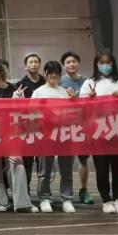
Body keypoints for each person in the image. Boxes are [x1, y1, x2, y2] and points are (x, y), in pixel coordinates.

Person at [81, 49, 118, 215]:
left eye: (107, 62)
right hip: (99, 133)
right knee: (102, 169)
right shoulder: (89, 83)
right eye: (101, 63)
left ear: (113, 63)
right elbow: (81, 106)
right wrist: (89, 98)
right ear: (96, 64)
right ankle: (106, 200)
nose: (105, 65)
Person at [0, 60, 37, 213]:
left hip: (12, 135)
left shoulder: (14, 89)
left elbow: (23, 112)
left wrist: (18, 100)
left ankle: (22, 202)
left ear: (1, 72)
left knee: (18, 164)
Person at [32, 61, 75, 214]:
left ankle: (67, 198)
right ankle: (44, 198)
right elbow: (32, 114)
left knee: (67, 170)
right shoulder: (38, 92)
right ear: (45, 74)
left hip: (64, 135)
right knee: (45, 170)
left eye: (56, 73)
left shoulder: (65, 92)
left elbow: (73, 113)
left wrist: (73, 100)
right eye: (50, 72)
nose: (53, 75)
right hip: (45, 136)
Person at [60, 51, 94, 205]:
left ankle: (84, 190)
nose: (71, 64)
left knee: (83, 160)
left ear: (78, 63)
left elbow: (93, 103)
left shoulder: (87, 82)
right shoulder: (60, 82)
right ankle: (66, 193)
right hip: (65, 126)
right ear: (64, 66)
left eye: (74, 61)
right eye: (68, 62)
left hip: (83, 126)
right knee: (66, 161)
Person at [15, 53, 45, 199]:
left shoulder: (46, 82)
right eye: (31, 62)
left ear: (39, 65)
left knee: (42, 162)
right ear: (26, 66)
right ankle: (25, 192)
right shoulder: (20, 84)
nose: (33, 64)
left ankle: (43, 192)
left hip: (43, 128)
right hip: (26, 128)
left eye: (36, 62)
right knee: (27, 161)